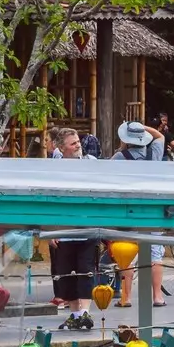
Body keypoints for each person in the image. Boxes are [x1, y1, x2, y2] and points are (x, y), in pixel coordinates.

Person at [50, 128, 101, 329]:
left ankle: (85, 312)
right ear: (62, 148)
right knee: (66, 273)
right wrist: (51, 231)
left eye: (78, 141)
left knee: (86, 270)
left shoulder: (92, 164)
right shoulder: (54, 169)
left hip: (87, 227)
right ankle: (75, 313)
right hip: (64, 230)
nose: (78, 145)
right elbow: (51, 201)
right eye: (73, 143)